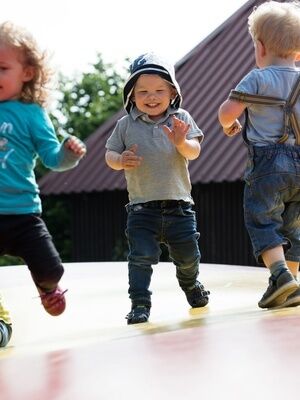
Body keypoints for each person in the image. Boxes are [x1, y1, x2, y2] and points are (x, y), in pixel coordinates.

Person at [105, 52, 210, 324]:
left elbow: (194, 151)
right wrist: (120, 160)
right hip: (142, 208)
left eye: (159, 90)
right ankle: (140, 304)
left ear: (173, 92)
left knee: (188, 257)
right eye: (143, 92)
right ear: (131, 94)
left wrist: (180, 142)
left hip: (179, 206)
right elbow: (109, 155)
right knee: (140, 258)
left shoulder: (181, 118)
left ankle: (191, 285)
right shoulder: (125, 124)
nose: (151, 97)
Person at [0, 21, 86, 347]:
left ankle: (47, 288)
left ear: (27, 72)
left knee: (51, 269)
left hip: (23, 213)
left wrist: (68, 154)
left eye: (2, 68)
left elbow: (52, 158)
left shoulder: (32, 114)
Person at [218, 1, 300, 309]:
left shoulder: (257, 78)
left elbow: (226, 113)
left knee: (263, 220)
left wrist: (230, 124)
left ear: (260, 47)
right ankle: (290, 283)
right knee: (295, 226)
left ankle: (280, 276)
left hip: (268, 162)